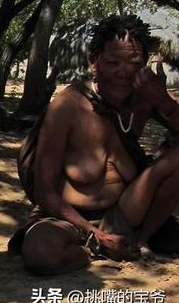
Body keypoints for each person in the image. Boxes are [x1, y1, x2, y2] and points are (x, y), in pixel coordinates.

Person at [10, 15, 179, 275]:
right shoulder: (67, 106)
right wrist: (97, 236)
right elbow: (45, 192)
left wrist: (164, 101)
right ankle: (93, 250)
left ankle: (141, 240)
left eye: (134, 63)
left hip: (126, 213)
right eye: (112, 63)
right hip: (67, 217)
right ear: (93, 63)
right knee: (41, 256)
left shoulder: (145, 99)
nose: (123, 72)